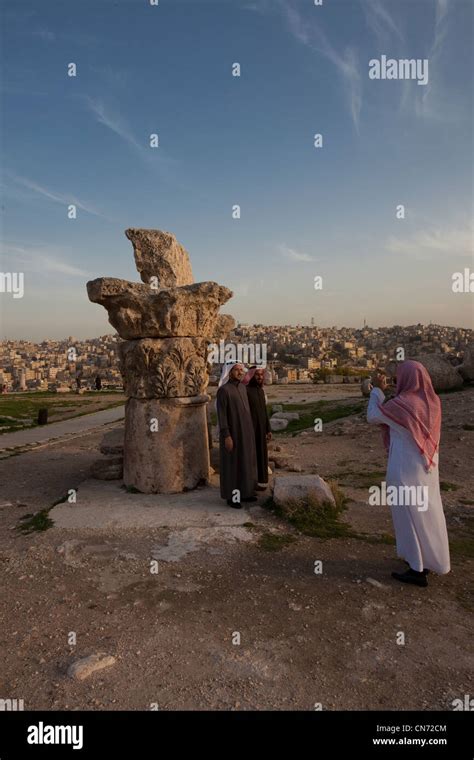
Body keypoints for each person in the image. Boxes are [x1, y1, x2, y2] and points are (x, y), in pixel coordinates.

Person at [367, 360, 450, 587]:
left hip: (404, 468)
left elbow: (373, 416)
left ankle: (416, 568)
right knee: (427, 514)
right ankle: (432, 560)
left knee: (408, 517)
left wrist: (377, 390)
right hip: (427, 468)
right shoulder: (433, 403)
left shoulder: (403, 405)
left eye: (397, 379)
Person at [216, 362, 257, 509]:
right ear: (229, 372)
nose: (240, 372)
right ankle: (233, 498)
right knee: (232, 466)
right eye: (237, 370)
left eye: (241, 370)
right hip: (232, 434)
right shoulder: (224, 391)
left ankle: (246, 493)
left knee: (246, 463)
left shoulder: (242, 388)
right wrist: (226, 435)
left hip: (246, 433)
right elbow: (222, 416)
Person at [242, 366, 271, 490]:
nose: (259, 377)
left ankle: (258, 482)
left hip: (261, 430)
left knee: (260, 456)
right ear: (251, 376)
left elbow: (264, 411)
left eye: (261, 374)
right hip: (250, 430)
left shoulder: (261, 391)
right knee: (251, 457)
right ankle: (248, 484)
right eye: (257, 374)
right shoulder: (246, 390)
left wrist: (268, 429)